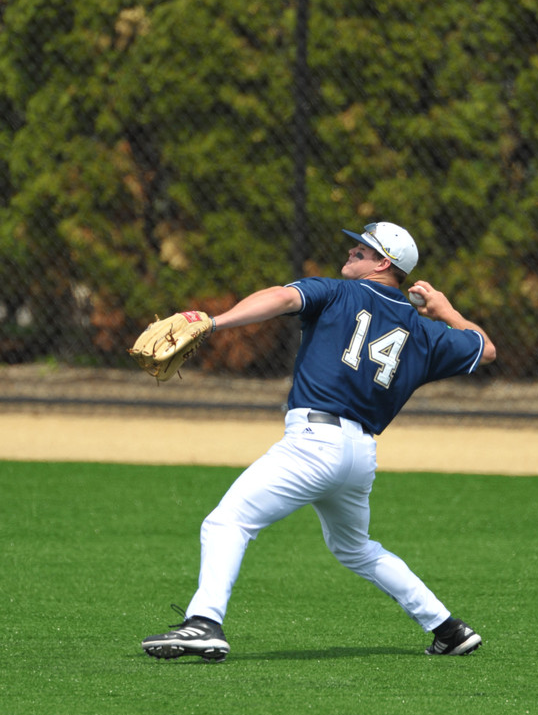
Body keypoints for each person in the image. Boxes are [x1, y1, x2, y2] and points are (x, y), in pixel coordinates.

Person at [142, 221, 496, 663]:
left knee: (227, 522)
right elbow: (485, 349)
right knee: (355, 548)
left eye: (362, 250)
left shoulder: (337, 292)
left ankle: (204, 622)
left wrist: (215, 322)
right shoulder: (425, 332)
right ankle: (448, 629)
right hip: (359, 455)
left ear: (383, 263)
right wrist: (446, 311)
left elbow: (282, 297)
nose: (351, 252)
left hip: (313, 442)